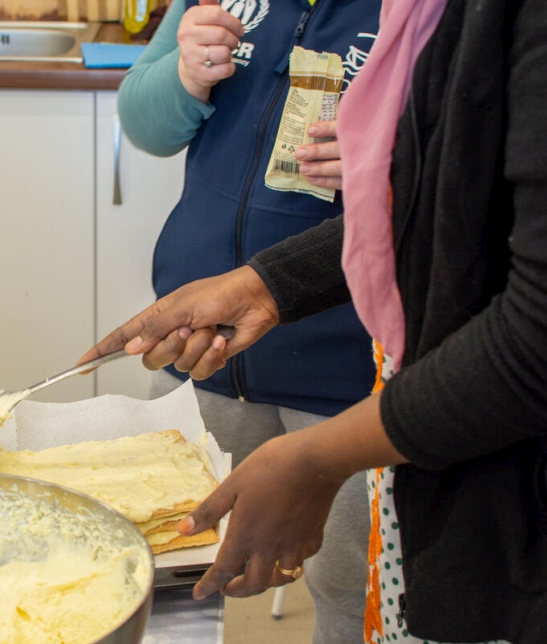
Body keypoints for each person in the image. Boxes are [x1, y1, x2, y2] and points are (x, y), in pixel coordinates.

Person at [83, 0, 547, 641]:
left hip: (384, 399)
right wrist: (263, 287)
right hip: (271, 367)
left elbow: (527, 332)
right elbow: (441, 194)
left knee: (350, 590)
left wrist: (317, 459)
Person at [116, 0, 380, 641]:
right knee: (168, 563)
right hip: (200, 352)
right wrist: (184, 73)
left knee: (348, 586)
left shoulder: (419, 12)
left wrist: (387, 159)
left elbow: (465, 158)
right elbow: (144, 124)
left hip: (345, 376)